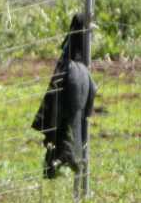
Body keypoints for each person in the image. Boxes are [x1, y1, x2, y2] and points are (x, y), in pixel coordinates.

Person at [33, 13, 97, 179]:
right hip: (69, 114)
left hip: (68, 116)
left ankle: (63, 157)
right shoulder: (74, 68)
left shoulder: (72, 67)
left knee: (67, 131)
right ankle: (64, 157)